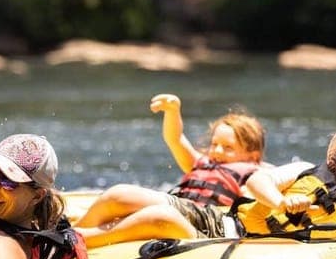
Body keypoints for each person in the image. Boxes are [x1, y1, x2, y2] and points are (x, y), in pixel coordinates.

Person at [74, 93, 266, 248]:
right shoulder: (200, 162)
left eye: (228, 147)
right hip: (179, 208)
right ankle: (71, 235)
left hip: (202, 228)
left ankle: (73, 241)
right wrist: (173, 111)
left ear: (253, 156)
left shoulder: (255, 175)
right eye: (214, 144)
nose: (217, 151)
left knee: (152, 213)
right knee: (116, 196)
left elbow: (260, 198)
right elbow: (175, 139)